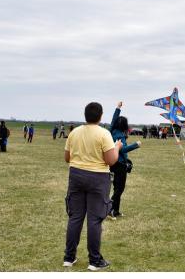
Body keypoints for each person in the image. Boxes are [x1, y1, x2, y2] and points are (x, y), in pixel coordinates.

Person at [63, 102, 123, 271]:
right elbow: (111, 160)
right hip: (97, 178)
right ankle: (94, 260)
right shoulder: (104, 134)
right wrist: (117, 147)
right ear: (100, 116)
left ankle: (69, 257)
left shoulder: (74, 133)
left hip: (75, 175)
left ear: (85, 115)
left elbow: (67, 158)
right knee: (94, 220)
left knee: (75, 217)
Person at [108, 101, 141, 219]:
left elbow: (113, 120)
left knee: (117, 188)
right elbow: (123, 149)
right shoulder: (120, 136)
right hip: (119, 164)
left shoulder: (112, 131)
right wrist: (136, 145)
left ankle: (115, 211)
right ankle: (110, 209)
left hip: (113, 162)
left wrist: (118, 108)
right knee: (119, 189)